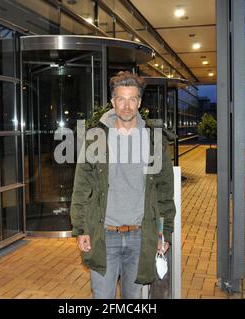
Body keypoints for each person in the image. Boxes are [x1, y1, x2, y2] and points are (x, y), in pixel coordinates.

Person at [70, 71, 176, 299]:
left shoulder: (154, 141)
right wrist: (81, 228)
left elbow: (164, 192)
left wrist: (163, 233)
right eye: (121, 99)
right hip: (104, 236)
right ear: (112, 102)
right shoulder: (95, 138)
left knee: (133, 299)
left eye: (132, 99)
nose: (126, 106)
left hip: (140, 235)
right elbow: (82, 186)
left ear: (139, 102)